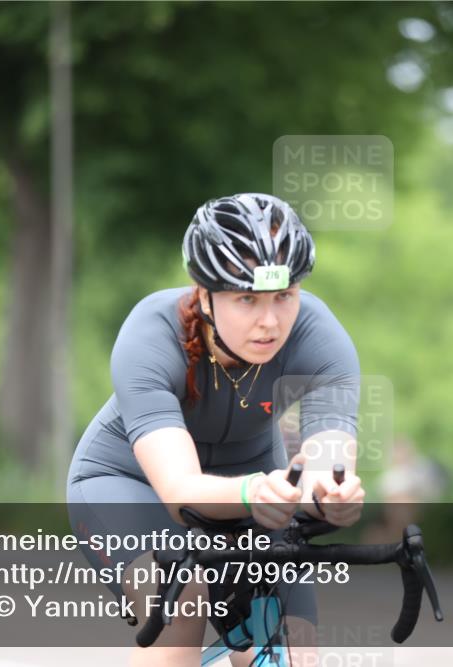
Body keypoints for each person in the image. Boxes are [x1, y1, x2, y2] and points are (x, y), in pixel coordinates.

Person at [66, 193, 366, 667]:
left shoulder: (320, 338)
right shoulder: (150, 334)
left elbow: (328, 455)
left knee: (293, 640)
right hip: (128, 483)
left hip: (255, 489)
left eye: (284, 296)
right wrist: (254, 493)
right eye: (246, 298)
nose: (269, 321)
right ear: (204, 294)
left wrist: (332, 492)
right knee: (183, 600)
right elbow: (180, 492)